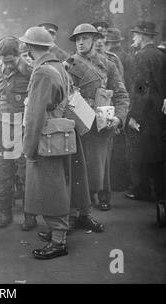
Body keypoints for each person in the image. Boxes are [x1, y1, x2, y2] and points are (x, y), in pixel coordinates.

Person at [65, 23, 129, 216]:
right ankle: (83, 202)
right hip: (79, 121)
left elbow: (120, 94)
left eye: (85, 38)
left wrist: (118, 118)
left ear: (94, 40)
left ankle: (103, 195)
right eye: (77, 39)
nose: (80, 43)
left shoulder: (108, 64)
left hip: (102, 121)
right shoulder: (68, 65)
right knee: (79, 165)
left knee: (103, 162)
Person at [20, 26, 72, 259]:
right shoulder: (58, 66)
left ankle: (59, 241)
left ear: (30, 48)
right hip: (58, 135)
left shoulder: (41, 72)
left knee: (51, 189)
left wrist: (29, 148)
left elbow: (35, 115)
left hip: (45, 138)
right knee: (57, 184)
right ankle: (56, 232)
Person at [0, 36, 36, 231]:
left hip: (23, 130)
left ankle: (29, 215)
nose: (7, 64)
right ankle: (5, 212)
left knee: (26, 174)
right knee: (2, 174)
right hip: (1, 130)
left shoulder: (31, 72)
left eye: (11, 60)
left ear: (19, 55)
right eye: (4, 60)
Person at [125, 21, 166, 203]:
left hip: (146, 111)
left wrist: (134, 115)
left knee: (142, 151)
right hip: (159, 111)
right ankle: (158, 192)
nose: (133, 38)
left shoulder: (141, 56)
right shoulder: (161, 55)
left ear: (142, 36)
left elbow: (141, 88)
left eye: (135, 34)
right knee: (157, 152)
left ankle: (142, 191)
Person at [105, 28, 135, 192]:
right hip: (124, 104)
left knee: (113, 149)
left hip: (114, 106)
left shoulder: (113, 59)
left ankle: (115, 183)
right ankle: (120, 183)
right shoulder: (126, 56)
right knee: (120, 147)